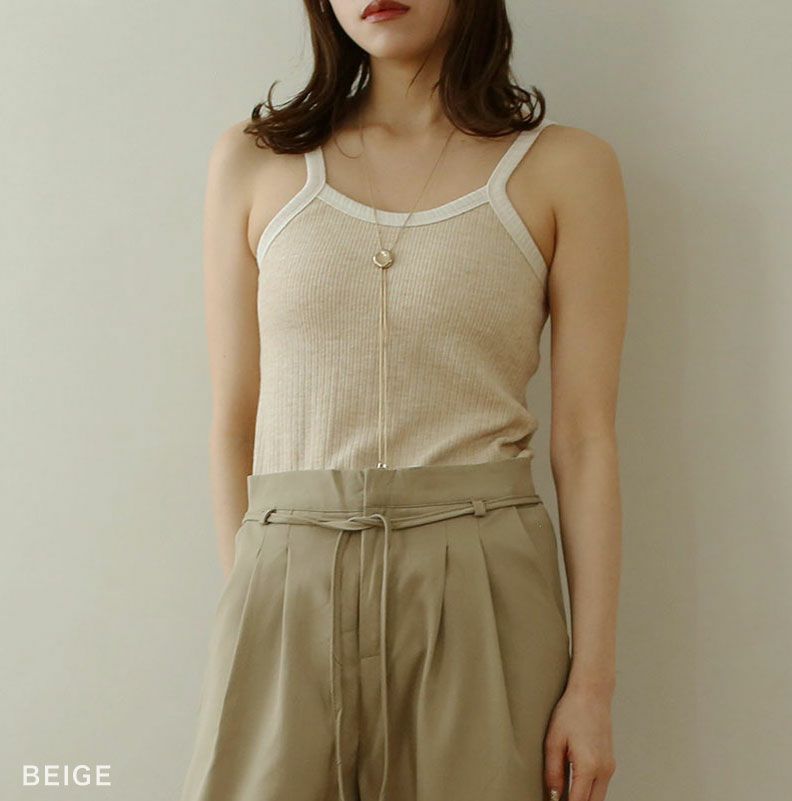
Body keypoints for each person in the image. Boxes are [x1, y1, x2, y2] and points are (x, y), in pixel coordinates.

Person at [178, 1, 628, 800]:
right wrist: (251, 603)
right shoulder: (254, 162)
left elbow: (586, 440)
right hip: (287, 581)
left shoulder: (565, 167)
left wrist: (592, 688)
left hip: (485, 583)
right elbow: (233, 421)